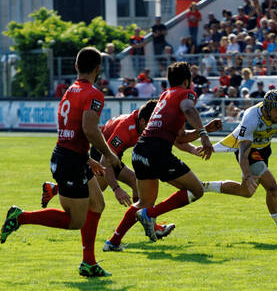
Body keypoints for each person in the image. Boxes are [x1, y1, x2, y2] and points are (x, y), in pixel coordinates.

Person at [0, 47, 121, 277]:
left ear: (76, 67)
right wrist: (109, 154)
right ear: (98, 69)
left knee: (98, 204)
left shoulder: (70, 91)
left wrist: (88, 159)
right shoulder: (93, 94)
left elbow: (71, 131)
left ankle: (89, 263)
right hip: (71, 162)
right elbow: (89, 129)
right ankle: (20, 217)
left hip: (71, 157)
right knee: (75, 221)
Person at [41, 100, 178, 248]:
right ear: (143, 120)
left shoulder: (141, 123)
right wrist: (117, 189)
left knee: (128, 184)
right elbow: (105, 160)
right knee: (90, 197)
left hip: (112, 155)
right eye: (151, 124)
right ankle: (150, 224)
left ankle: (54, 189)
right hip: (100, 155)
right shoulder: (127, 128)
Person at [107, 61, 215, 245]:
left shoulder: (166, 96)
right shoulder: (185, 94)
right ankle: (150, 215)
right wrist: (204, 135)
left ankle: (113, 242)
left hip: (140, 150)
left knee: (144, 201)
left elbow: (180, 137)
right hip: (157, 151)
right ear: (188, 81)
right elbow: (189, 109)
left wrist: (205, 129)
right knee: (196, 190)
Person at [203, 90, 277, 243]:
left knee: (246, 191)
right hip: (249, 150)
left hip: (264, 149)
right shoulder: (251, 118)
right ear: (266, 108)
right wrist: (247, 174)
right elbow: (243, 151)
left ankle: (206, 186)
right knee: (271, 186)